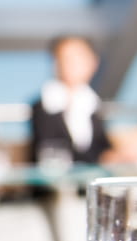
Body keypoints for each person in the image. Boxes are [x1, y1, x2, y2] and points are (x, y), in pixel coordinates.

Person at [29, 35, 113, 165]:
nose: (71, 64)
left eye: (78, 58)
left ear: (93, 63)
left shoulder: (93, 104)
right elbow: (49, 152)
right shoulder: (43, 106)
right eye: (65, 58)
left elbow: (101, 148)